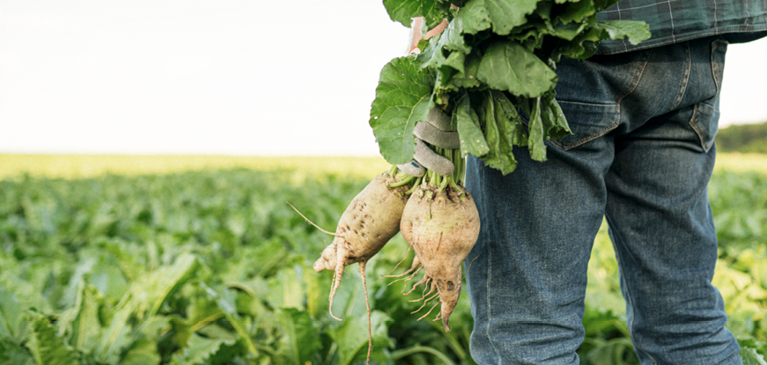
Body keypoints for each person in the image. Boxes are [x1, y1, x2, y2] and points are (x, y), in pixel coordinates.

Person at [403, 1, 767, 364]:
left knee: (531, 336)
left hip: (564, 38)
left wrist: (439, 36)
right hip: (687, 38)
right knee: (686, 326)